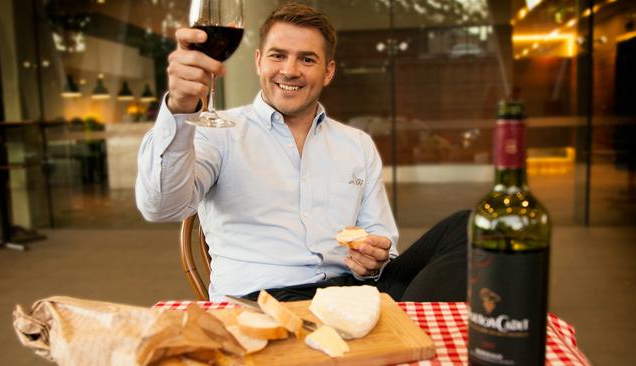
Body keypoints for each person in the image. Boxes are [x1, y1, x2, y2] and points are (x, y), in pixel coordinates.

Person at [136, 2, 468, 302]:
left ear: (328, 71)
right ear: (258, 61)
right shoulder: (217, 132)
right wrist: (180, 109)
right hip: (262, 299)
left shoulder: (356, 144)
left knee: (468, 227)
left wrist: (374, 260)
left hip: (351, 292)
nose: (290, 70)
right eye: (278, 55)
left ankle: (401, 331)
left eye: (307, 59)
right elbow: (161, 206)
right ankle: (398, 334)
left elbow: (380, 242)